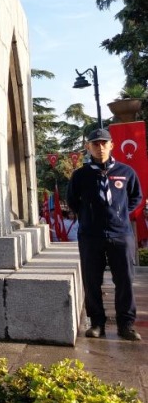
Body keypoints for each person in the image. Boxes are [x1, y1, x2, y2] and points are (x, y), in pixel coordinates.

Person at [67, 128, 142, 341]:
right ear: (88, 147)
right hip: (91, 235)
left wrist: (120, 214)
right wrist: (89, 215)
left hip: (121, 234)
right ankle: (97, 323)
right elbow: (72, 200)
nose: (100, 147)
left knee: (125, 280)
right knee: (92, 280)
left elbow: (136, 197)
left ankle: (125, 325)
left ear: (111, 145)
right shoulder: (80, 175)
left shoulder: (126, 171)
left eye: (103, 143)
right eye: (95, 144)